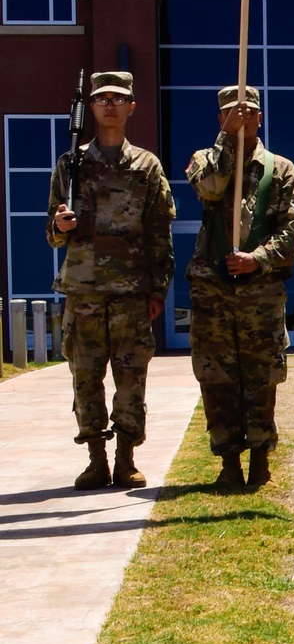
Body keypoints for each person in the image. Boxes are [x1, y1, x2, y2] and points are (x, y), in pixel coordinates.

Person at [46, 69, 175, 490]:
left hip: (130, 293)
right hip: (82, 289)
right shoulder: (72, 163)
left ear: (132, 107)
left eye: (118, 99)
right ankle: (95, 458)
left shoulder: (146, 165)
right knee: (85, 376)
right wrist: (59, 227)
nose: (110, 105)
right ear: (92, 108)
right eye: (102, 99)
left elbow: (159, 232)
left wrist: (158, 289)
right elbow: (51, 234)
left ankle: (125, 458)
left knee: (130, 377)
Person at [185, 86, 294, 491]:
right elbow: (210, 188)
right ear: (220, 120)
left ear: (261, 117)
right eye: (232, 114)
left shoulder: (282, 170)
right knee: (216, 376)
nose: (242, 119)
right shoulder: (206, 159)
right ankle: (228, 462)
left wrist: (259, 258)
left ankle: (259, 459)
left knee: (261, 376)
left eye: (250, 113)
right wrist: (227, 141)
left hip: (261, 291)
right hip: (213, 291)